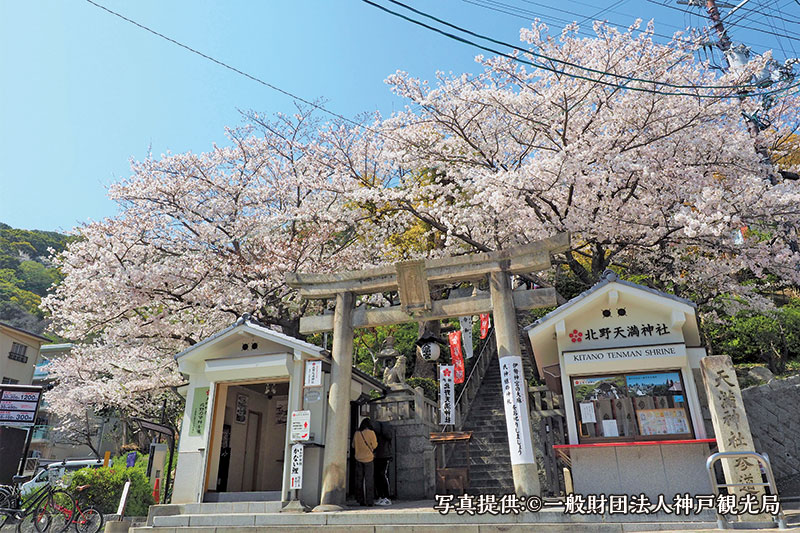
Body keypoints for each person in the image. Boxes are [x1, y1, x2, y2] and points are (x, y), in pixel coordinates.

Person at [352, 417, 377, 506]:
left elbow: (353, 446)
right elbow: (375, 445)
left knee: (359, 480)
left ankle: (360, 500)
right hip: (369, 459)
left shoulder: (357, 433)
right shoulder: (371, 433)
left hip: (358, 458)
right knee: (369, 480)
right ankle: (369, 501)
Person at [373, 420, 393, 506]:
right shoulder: (386, 434)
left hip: (377, 456)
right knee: (383, 475)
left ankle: (382, 496)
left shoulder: (376, 434)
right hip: (385, 455)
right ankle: (386, 496)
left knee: (378, 476)